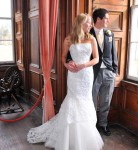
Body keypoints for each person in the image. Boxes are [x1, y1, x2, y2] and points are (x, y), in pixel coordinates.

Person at [27, 13, 104, 150]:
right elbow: (63, 57)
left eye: (91, 23)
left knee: (85, 101)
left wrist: (84, 65)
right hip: (73, 75)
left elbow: (97, 59)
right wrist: (67, 64)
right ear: (80, 23)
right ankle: (67, 137)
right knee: (73, 100)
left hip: (86, 74)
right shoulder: (68, 39)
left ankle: (85, 137)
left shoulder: (91, 38)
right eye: (88, 23)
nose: (90, 25)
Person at [67, 8, 118, 136]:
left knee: (106, 101)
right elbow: (71, 52)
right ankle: (91, 126)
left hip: (108, 72)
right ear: (98, 19)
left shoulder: (109, 34)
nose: (108, 20)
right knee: (91, 101)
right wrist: (69, 61)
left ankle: (103, 124)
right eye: (106, 18)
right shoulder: (86, 32)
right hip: (91, 73)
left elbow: (114, 53)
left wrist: (114, 70)